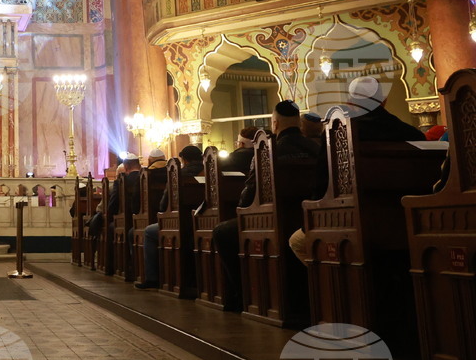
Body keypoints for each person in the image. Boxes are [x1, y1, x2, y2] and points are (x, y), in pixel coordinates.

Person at [288, 76, 425, 261]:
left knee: (297, 241)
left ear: (350, 102)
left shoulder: (338, 135)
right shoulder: (413, 134)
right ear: (384, 101)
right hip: (408, 221)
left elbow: (322, 182)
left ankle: (332, 287)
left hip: (352, 221)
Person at [213, 100, 320, 311]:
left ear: (275, 124)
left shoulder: (266, 151)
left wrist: (242, 208)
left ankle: (242, 297)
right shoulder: (317, 148)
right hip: (308, 218)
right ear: (299, 123)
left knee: (222, 232)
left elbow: (249, 196)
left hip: (272, 219)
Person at [138, 145, 204, 289]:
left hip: (180, 222)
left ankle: (153, 278)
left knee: (149, 231)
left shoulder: (177, 174)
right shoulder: (209, 171)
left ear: (184, 160)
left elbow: (164, 205)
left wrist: (162, 215)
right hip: (204, 221)